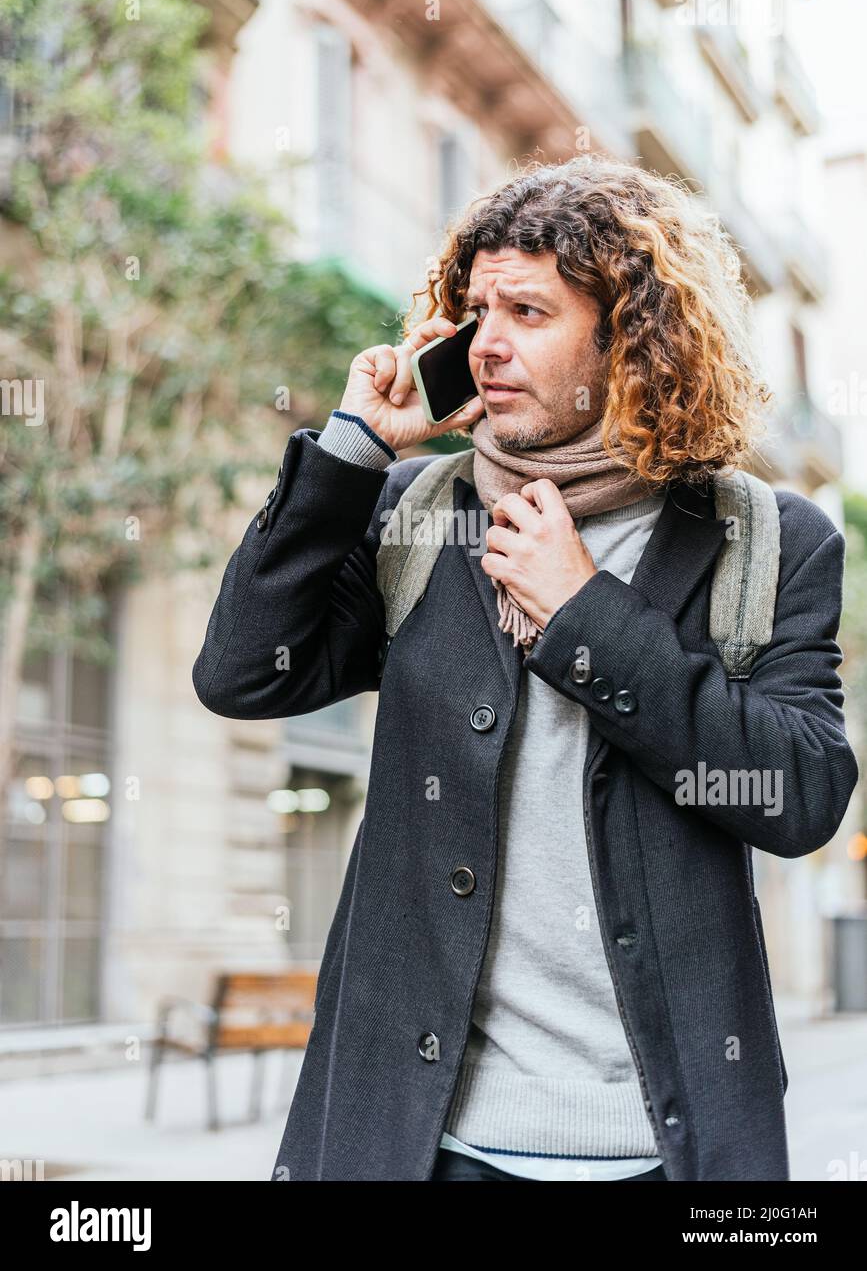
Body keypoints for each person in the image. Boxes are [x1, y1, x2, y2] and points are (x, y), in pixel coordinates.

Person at [192, 154, 858, 1181]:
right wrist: (354, 449)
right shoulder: (415, 512)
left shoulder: (765, 537)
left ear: (633, 339)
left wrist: (585, 613)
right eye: (476, 310)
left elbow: (802, 794)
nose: (486, 344)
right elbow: (244, 672)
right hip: (422, 1143)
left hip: (665, 1151)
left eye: (529, 313)